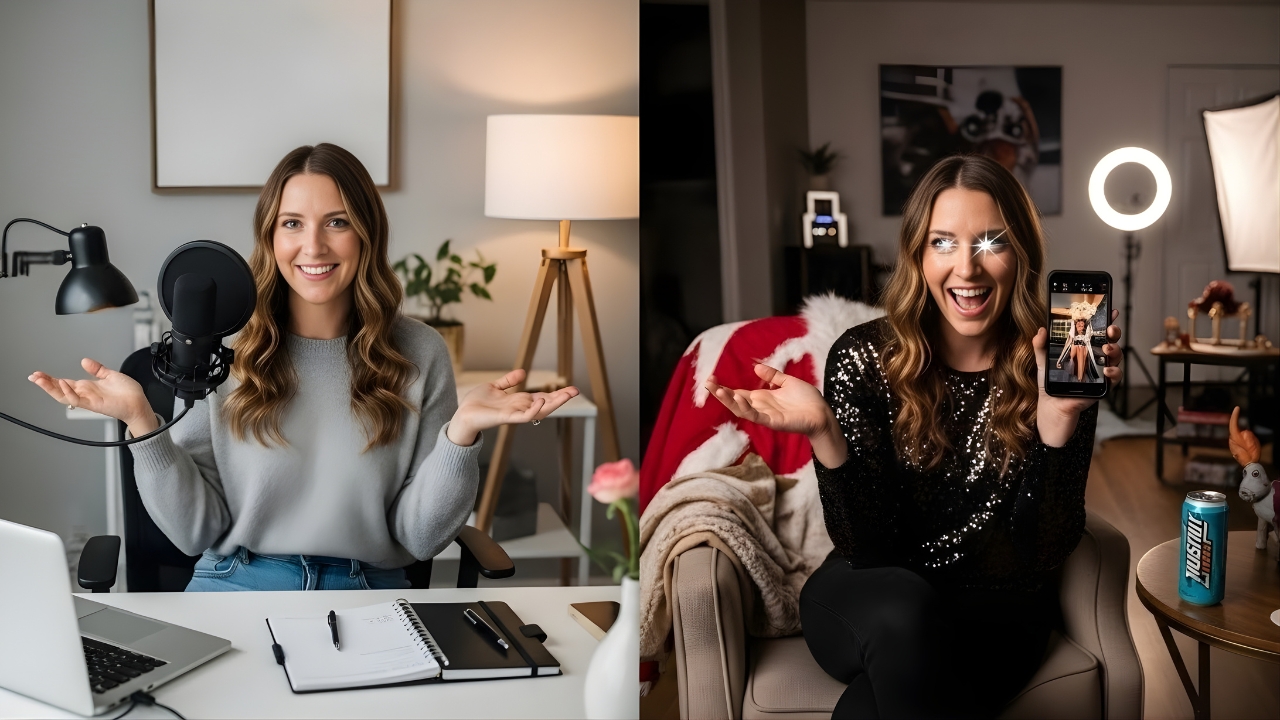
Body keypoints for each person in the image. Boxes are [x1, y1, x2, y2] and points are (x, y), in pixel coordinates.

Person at [28, 143, 577, 592]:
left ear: (366, 233)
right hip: (234, 583)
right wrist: (143, 424)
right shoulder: (227, 348)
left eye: (336, 222)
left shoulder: (419, 352)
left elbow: (419, 538)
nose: (312, 245)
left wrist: (460, 437)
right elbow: (197, 532)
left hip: (368, 593)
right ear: (271, 236)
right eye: (292, 222)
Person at [705, 154, 1122, 718]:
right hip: (870, 599)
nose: (967, 269)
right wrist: (826, 434)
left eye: (990, 241)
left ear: (1020, 253)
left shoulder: (1059, 371)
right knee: (904, 605)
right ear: (918, 255)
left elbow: (1044, 550)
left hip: (997, 618)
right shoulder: (864, 356)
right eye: (943, 242)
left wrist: (1057, 428)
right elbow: (867, 549)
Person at [1056, 313, 1101, 381]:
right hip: (1076, 347)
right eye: (1078, 325)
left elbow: (1088, 336)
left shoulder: (1086, 335)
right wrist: (1059, 360)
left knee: (1081, 352)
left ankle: (1080, 378)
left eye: (1081, 325)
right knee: (1079, 352)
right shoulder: (1074, 334)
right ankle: (1080, 378)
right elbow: (1067, 344)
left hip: (1083, 347)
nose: (1079, 325)